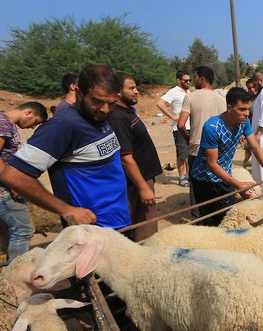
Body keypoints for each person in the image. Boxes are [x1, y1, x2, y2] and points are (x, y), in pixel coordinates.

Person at [1, 65, 130, 228]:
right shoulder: (63, 126)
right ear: (79, 92)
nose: (105, 109)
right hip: (92, 232)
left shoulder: (98, 117)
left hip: (118, 222)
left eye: (111, 103)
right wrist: (66, 210)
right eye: (97, 101)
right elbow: (14, 175)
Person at [191, 88, 263, 226]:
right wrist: (238, 185)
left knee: (230, 216)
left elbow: (255, 147)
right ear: (229, 107)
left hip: (225, 176)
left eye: (248, 109)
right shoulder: (212, 127)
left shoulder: (243, 122)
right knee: (212, 223)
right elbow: (212, 164)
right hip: (206, 180)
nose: (246, 114)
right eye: (241, 109)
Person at [107, 73, 162, 241]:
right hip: (137, 181)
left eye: (135, 87)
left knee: (147, 221)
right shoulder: (117, 117)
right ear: (117, 91)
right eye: (131, 88)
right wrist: (143, 187)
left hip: (143, 177)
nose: (136, 91)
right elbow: (125, 157)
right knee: (144, 226)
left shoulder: (126, 113)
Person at [0, 102, 47, 259]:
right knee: (23, 230)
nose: (33, 127)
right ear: (28, 112)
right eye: (35, 122)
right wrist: (13, 184)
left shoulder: (5, 123)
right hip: (4, 190)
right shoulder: (4, 123)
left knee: (10, 230)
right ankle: (17, 278)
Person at [177, 66, 226, 218]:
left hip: (196, 148)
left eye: (195, 77)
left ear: (202, 78)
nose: (193, 80)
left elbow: (180, 124)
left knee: (195, 183)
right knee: (215, 180)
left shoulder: (190, 97)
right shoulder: (221, 99)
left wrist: (188, 139)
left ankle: (198, 217)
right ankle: (216, 213)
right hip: (216, 149)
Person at [157, 70, 192, 186]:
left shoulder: (189, 92)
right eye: (186, 80)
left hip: (191, 126)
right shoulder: (174, 91)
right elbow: (160, 103)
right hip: (179, 127)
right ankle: (182, 177)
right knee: (182, 154)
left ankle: (189, 175)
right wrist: (172, 116)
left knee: (190, 153)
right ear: (179, 80)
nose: (188, 82)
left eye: (190, 80)